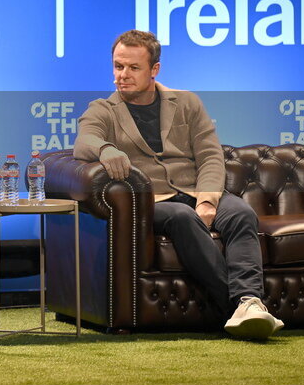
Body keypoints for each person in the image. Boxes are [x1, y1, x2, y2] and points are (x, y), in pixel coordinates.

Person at [73, 30, 284, 339]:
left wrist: (208, 199)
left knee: (240, 213)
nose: (123, 75)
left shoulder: (186, 102)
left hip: (195, 189)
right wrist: (105, 149)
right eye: (118, 66)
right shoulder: (103, 109)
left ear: (154, 69)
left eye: (133, 68)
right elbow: (84, 141)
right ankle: (241, 305)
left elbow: (211, 156)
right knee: (181, 217)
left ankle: (249, 302)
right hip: (153, 202)